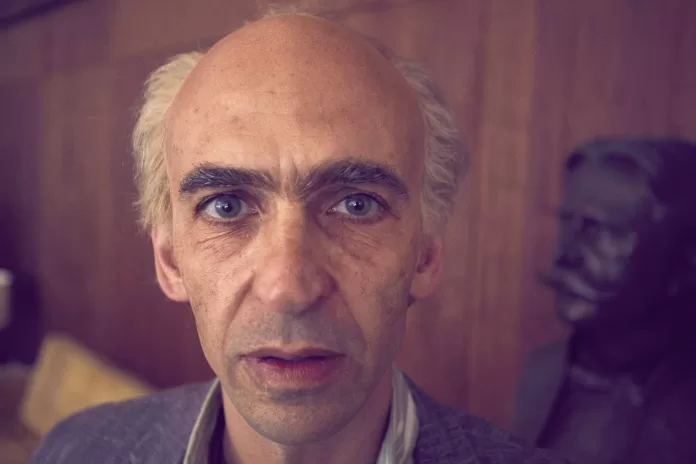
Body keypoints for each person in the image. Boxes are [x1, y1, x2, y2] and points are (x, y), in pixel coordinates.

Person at [30, 8, 564, 464]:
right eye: (226, 206)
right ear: (169, 260)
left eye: (356, 205)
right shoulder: (74, 450)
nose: (288, 288)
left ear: (424, 255)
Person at [513, 138, 696, 464]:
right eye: (566, 222)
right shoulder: (542, 372)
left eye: (600, 229)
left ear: (684, 260)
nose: (565, 255)